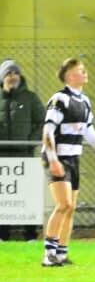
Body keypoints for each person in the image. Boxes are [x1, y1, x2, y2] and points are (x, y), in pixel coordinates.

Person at [40, 58, 95, 266]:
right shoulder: (60, 99)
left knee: (71, 207)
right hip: (58, 158)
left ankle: (61, 254)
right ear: (69, 76)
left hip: (73, 157)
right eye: (80, 70)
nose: (85, 73)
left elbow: (88, 130)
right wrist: (53, 160)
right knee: (63, 204)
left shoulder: (85, 101)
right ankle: (48, 254)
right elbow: (48, 130)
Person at [0, 59, 45, 241]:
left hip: (25, 154)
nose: (13, 77)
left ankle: (30, 236)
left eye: (16, 73)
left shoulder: (30, 98)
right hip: (2, 157)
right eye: (9, 73)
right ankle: (3, 236)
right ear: (2, 77)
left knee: (28, 196)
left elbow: (43, 122)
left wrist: (30, 142)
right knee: (4, 196)